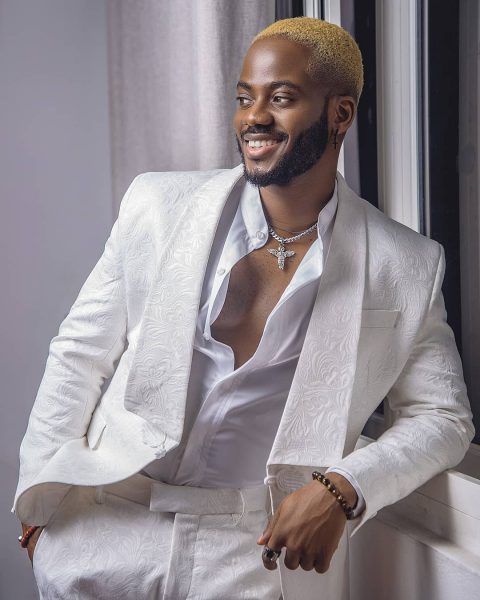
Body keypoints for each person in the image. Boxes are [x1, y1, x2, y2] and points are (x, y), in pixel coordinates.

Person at [14, 17, 473, 600]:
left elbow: (443, 416)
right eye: (243, 98)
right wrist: (41, 498)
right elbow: (80, 351)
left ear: (340, 115)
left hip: (250, 554)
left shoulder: (405, 263)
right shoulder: (157, 205)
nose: (254, 117)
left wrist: (344, 486)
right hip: (104, 524)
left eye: (280, 98)